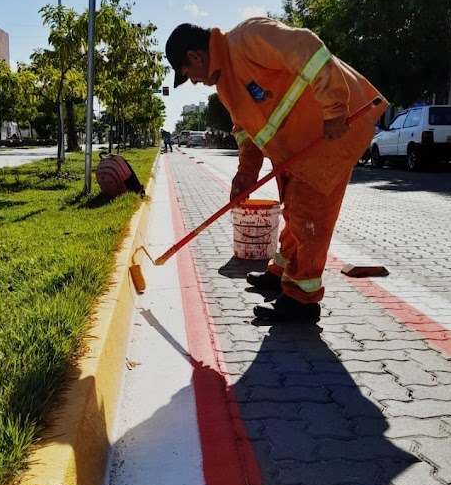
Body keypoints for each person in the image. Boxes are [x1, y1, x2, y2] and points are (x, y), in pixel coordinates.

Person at [165, 17, 388, 323]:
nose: (193, 81)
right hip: (296, 152)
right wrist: (245, 175)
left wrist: (335, 108)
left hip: (331, 135)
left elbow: (308, 48)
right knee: (295, 214)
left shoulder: (246, 39)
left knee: (309, 217)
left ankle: (302, 300)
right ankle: (281, 271)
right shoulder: (226, 84)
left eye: (188, 75)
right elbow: (245, 132)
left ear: (195, 56)